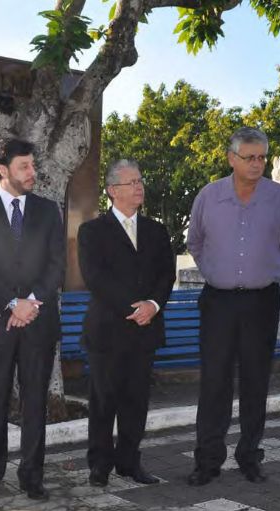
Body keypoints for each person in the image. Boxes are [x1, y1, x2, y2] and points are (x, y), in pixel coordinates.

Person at [186, 127, 280, 486]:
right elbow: (196, 243)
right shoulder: (209, 195)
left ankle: (250, 456)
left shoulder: (278, 198)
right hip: (218, 301)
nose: (257, 164)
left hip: (261, 300)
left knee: (255, 380)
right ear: (231, 158)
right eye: (249, 157)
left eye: (262, 157)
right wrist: (216, 273)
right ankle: (207, 460)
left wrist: (264, 272)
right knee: (214, 382)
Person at [0, 138, 65, 502]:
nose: (32, 172)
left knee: (35, 400)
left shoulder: (49, 210)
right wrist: (10, 304)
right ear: (3, 170)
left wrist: (30, 303)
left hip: (38, 318)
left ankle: (32, 475)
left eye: (33, 166)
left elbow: (56, 263)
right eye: (24, 167)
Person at [77, 159, 175, 487]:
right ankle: (99, 467)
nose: (139, 187)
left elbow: (166, 275)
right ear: (112, 191)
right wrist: (132, 307)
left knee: (136, 402)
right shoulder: (92, 231)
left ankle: (129, 463)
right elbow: (95, 277)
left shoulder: (157, 231)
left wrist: (153, 305)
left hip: (146, 330)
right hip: (107, 330)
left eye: (140, 180)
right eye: (131, 182)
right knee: (104, 402)